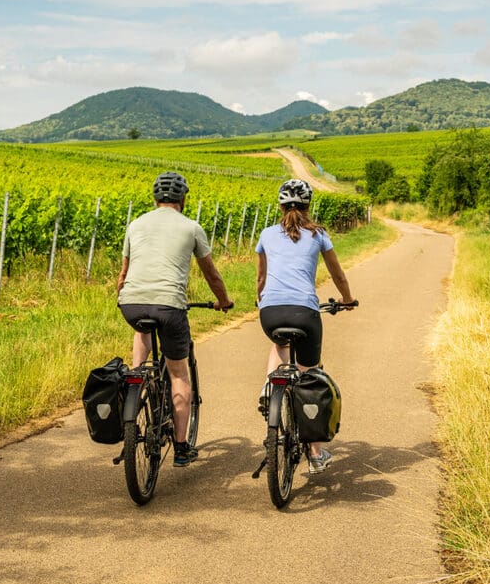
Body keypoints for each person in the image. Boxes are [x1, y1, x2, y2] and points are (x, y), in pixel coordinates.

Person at [116, 171, 233, 467]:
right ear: (183, 199)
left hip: (131, 303)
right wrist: (223, 300)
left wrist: (126, 295)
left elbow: (123, 275)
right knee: (179, 374)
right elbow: (211, 273)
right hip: (169, 307)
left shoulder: (136, 224)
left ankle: (137, 375)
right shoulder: (191, 227)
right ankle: (181, 447)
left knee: (143, 327)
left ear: (155, 199)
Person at [255, 178, 356, 473]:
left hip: (271, 312)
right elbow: (337, 275)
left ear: (281, 205)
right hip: (305, 312)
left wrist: (261, 300)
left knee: (280, 343)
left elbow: (261, 278)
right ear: (308, 206)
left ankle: (268, 385)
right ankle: (315, 455)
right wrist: (347, 299)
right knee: (311, 375)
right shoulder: (319, 234)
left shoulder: (266, 234)